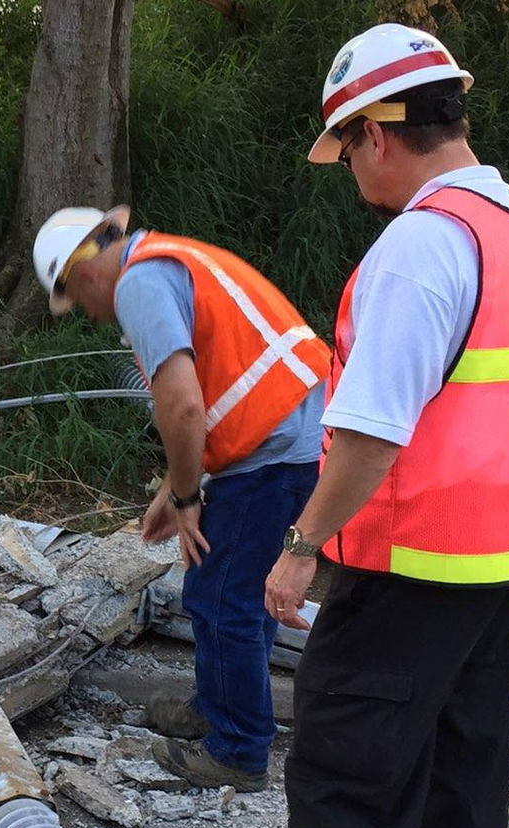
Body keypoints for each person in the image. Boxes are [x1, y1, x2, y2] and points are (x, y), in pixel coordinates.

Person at [263, 23, 509, 828]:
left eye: (347, 149)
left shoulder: (423, 246)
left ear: (376, 132)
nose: (353, 173)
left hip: (404, 571)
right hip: (496, 567)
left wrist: (301, 544)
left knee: (348, 796)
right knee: (459, 800)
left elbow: (370, 435)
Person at [32, 206, 330, 791]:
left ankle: (238, 750)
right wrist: (175, 486)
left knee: (221, 599)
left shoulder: (139, 285)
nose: (89, 314)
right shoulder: (168, 259)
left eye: (77, 300)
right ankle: (220, 705)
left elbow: (184, 405)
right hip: (290, 437)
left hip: (270, 453)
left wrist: (189, 495)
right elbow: (211, 391)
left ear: (82, 273)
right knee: (234, 592)